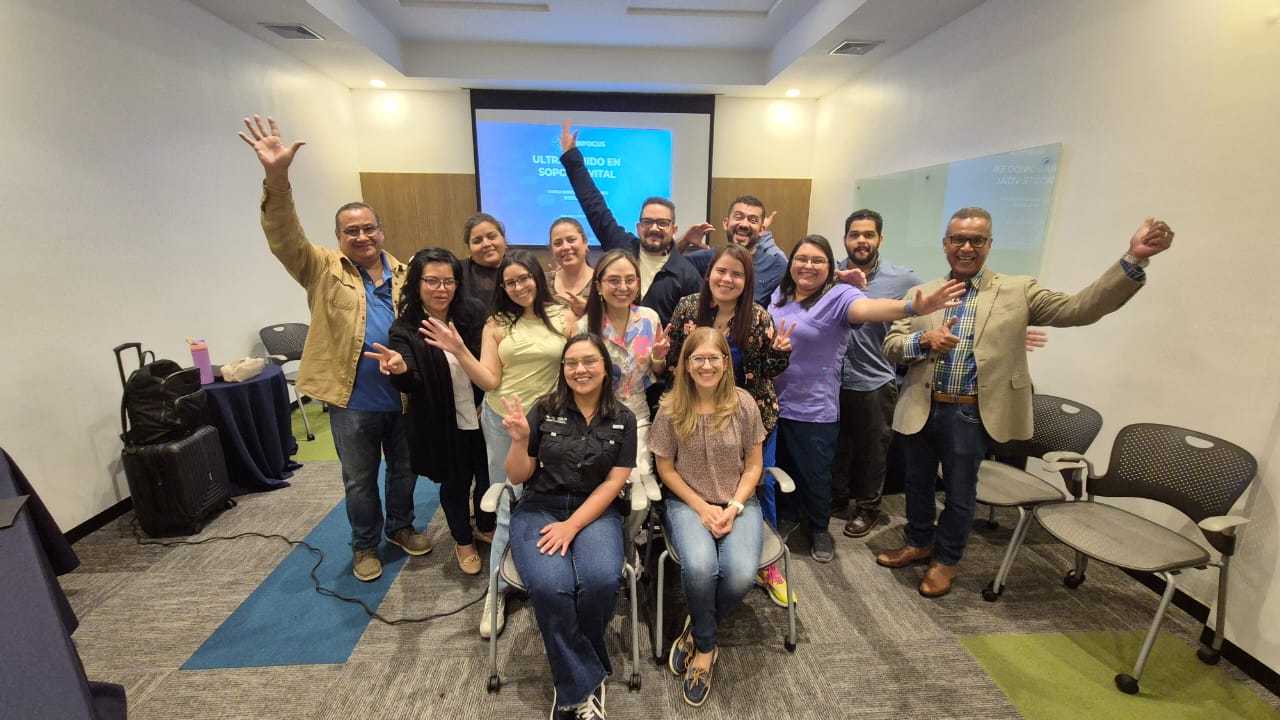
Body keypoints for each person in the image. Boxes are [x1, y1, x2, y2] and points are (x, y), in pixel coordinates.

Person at [877, 207, 1174, 598]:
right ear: (945, 243)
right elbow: (892, 345)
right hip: (921, 406)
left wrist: (1133, 259)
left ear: (990, 244)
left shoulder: (1018, 290)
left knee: (960, 492)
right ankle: (919, 542)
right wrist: (923, 340)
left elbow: (1080, 308)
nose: (966, 247)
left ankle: (946, 559)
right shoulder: (924, 293)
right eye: (958, 239)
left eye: (976, 240)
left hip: (970, 412)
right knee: (916, 483)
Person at [238, 115, 431, 582]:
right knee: (359, 480)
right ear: (339, 236)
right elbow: (284, 236)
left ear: (381, 230)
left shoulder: (407, 274)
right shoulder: (321, 268)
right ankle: (364, 545)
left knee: (404, 472)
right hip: (352, 400)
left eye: (369, 228)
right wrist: (277, 179)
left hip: (403, 398)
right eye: (351, 231)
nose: (362, 236)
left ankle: (400, 528)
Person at [770, 235, 963, 563]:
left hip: (814, 407)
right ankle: (788, 519)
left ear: (830, 267)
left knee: (815, 475)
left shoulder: (840, 295)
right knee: (781, 468)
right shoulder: (781, 293)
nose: (807, 265)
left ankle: (819, 528)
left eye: (817, 260)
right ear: (791, 264)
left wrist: (912, 307)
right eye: (801, 258)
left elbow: (870, 309)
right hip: (775, 402)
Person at [420, 249, 575, 637]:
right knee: (507, 497)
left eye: (524, 278)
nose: (519, 287)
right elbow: (489, 379)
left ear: (537, 277)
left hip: (551, 422)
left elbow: (578, 368)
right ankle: (498, 588)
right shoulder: (496, 323)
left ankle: (548, 572)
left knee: (550, 497)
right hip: (503, 420)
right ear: (502, 288)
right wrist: (459, 350)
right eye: (510, 282)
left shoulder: (563, 316)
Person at [499, 334, 637, 720]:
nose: (580, 370)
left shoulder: (624, 418)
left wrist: (573, 525)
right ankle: (581, 686)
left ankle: (574, 678)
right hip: (540, 508)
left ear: (605, 368)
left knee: (600, 580)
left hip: (596, 511)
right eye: (571, 363)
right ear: (563, 369)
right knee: (550, 587)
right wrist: (520, 442)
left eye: (589, 361)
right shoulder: (544, 410)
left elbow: (614, 483)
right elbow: (518, 475)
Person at [666, 244, 794, 606]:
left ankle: (765, 565)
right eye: (721, 271)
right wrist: (660, 359)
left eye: (737, 274)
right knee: (696, 479)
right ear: (710, 274)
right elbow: (674, 361)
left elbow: (767, 371)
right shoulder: (688, 308)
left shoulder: (758, 317)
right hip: (696, 415)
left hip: (749, 417)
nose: (727, 279)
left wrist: (779, 354)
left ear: (747, 281)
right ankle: (701, 546)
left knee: (760, 486)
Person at [649, 328, 766, 708]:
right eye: (697, 358)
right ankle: (705, 647)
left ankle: (696, 627)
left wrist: (733, 507)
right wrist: (701, 506)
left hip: (737, 502)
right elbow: (666, 469)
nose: (706, 365)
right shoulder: (670, 408)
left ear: (725, 363)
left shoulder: (744, 404)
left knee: (739, 575)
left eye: (714, 357)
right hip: (688, 502)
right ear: (685, 364)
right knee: (700, 569)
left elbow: (754, 466)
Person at [362, 248, 495, 575]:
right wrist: (399, 369)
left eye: (449, 281)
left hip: (484, 414)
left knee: (488, 477)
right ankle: (463, 540)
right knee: (455, 484)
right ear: (417, 284)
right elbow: (412, 381)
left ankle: (485, 526)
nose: (441, 289)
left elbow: (492, 361)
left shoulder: (472, 313)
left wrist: (487, 398)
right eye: (432, 281)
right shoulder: (405, 328)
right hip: (443, 423)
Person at [830, 209, 921, 537]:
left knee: (872, 451)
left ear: (880, 239)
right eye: (854, 235)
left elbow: (929, 309)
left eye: (868, 235)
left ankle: (868, 507)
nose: (861, 241)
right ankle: (836, 499)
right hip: (832, 379)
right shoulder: (831, 273)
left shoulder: (903, 279)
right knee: (836, 447)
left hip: (874, 379)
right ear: (845, 239)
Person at [558, 120, 702, 325]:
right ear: (638, 227)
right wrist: (573, 159)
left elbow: (694, 329)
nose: (654, 228)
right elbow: (594, 206)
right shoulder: (622, 248)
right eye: (647, 222)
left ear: (674, 229)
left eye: (662, 223)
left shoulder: (687, 275)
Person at [579, 250, 670, 500]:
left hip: (637, 415)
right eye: (614, 280)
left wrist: (658, 357)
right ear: (599, 286)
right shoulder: (585, 326)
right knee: (601, 488)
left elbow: (656, 372)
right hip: (596, 418)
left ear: (638, 283)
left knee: (641, 488)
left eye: (630, 280)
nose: (623, 287)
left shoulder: (649, 319)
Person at [679, 196, 789, 304]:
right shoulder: (703, 259)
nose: (744, 224)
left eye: (753, 220)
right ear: (726, 224)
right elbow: (671, 267)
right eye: (738, 217)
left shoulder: (776, 266)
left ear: (761, 230)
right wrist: (684, 241)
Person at [458, 212, 508, 308]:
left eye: (492, 237)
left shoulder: (520, 269)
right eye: (477, 241)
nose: (486, 244)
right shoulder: (457, 272)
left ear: (504, 239)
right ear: (469, 248)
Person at [548, 216, 594, 318]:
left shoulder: (602, 282)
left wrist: (587, 314)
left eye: (571, 240)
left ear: (585, 242)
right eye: (558, 243)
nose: (565, 247)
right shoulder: (542, 283)